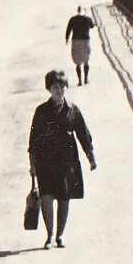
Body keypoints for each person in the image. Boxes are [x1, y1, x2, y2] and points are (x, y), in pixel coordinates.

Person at [27, 69, 96, 249]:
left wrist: (91, 157)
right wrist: (32, 164)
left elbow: (83, 134)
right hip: (45, 162)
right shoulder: (41, 111)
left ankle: (60, 235)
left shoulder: (73, 110)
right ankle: (49, 236)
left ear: (66, 88)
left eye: (62, 87)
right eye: (55, 87)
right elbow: (33, 141)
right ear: (49, 89)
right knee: (47, 198)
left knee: (64, 198)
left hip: (66, 163)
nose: (59, 90)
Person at [66, 8, 96, 85]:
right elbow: (92, 26)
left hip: (76, 41)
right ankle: (86, 80)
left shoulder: (73, 19)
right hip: (85, 41)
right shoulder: (87, 19)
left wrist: (67, 38)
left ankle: (79, 81)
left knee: (78, 62)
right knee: (86, 60)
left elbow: (68, 29)